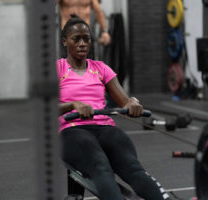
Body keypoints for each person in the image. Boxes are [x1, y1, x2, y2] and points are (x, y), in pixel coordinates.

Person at [58, 15, 170, 200]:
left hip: (104, 128)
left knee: (133, 168)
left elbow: (124, 101)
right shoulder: (59, 68)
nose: (82, 43)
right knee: (100, 166)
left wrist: (133, 104)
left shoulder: (101, 68)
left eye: (86, 39)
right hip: (73, 131)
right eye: (76, 39)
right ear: (64, 41)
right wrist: (72, 105)